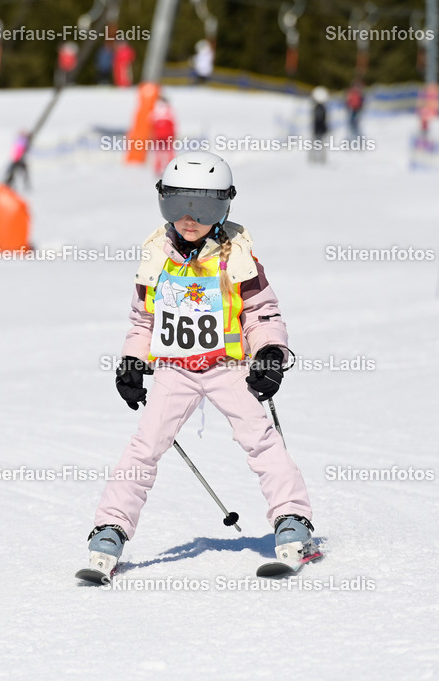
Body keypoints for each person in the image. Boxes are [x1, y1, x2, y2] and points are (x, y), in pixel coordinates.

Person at [83, 151, 317, 580]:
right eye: (177, 205)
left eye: (204, 206)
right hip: (175, 369)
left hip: (228, 366)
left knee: (260, 439)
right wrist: (132, 363)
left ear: (224, 206)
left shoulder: (235, 257)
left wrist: (268, 354)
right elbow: (143, 320)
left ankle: (292, 519)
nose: (189, 218)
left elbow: (262, 313)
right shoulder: (157, 259)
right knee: (144, 446)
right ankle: (110, 527)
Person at [150, 96, 177, 175]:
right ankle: (172, 168)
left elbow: (150, 121)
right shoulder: (169, 110)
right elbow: (173, 123)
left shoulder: (155, 110)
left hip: (158, 135)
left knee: (158, 153)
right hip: (168, 134)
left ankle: (158, 169)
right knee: (169, 152)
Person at [310, 86, 329, 165]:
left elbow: (322, 119)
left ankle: (319, 159)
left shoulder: (319, 107)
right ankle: (316, 159)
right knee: (317, 144)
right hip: (318, 129)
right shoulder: (319, 107)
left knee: (319, 144)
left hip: (319, 129)